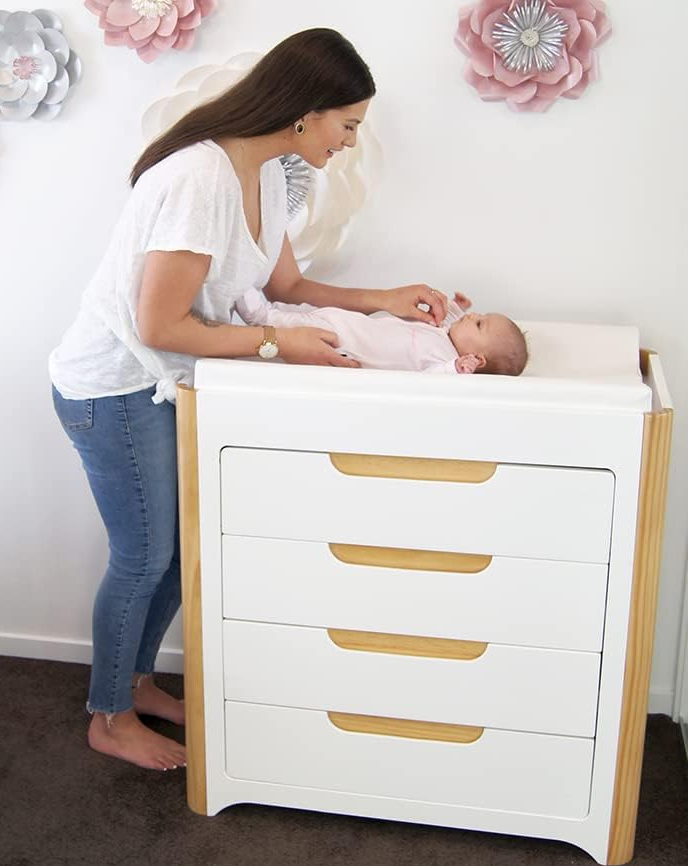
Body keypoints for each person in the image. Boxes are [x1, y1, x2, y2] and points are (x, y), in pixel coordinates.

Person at [48, 27, 455, 771]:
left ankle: (134, 682)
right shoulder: (198, 179)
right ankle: (106, 716)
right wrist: (278, 345)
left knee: (174, 555)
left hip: (163, 384)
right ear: (307, 112)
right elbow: (158, 322)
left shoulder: (270, 171)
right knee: (143, 558)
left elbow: (283, 286)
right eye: (349, 126)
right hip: (114, 385)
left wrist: (382, 301)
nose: (351, 144)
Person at [235, 289, 528, 375]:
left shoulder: (444, 360)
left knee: (318, 326)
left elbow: (436, 380)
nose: (474, 316)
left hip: (349, 344)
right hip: (359, 326)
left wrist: (457, 369)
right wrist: (457, 307)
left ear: (475, 358)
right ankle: (274, 309)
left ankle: (261, 315)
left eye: (480, 323)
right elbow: (450, 319)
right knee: (319, 314)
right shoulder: (446, 333)